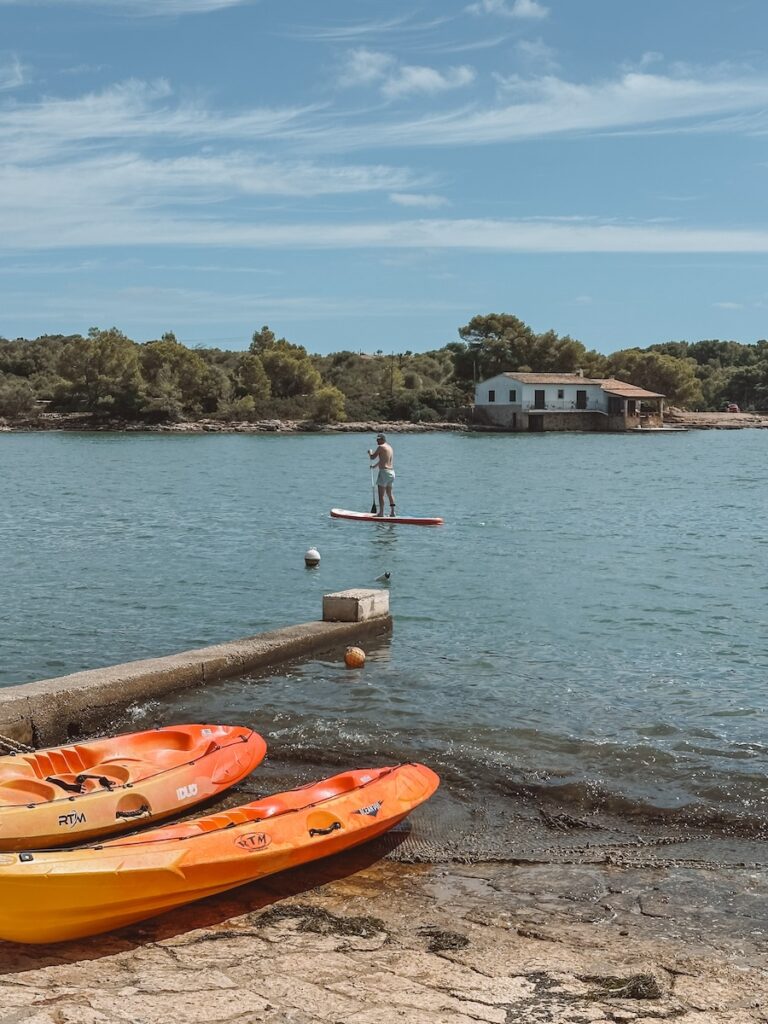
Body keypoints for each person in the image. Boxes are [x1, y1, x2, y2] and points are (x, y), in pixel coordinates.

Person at [368, 433, 396, 516]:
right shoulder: (389, 447)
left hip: (384, 472)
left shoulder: (381, 447)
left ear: (383, 439)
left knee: (381, 495)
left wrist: (370, 452)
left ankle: (381, 513)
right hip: (391, 473)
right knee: (390, 493)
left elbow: (372, 457)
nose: (377, 440)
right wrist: (375, 466)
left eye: (378, 439)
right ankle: (392, 512)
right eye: (376, 439)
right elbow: (383, 459)